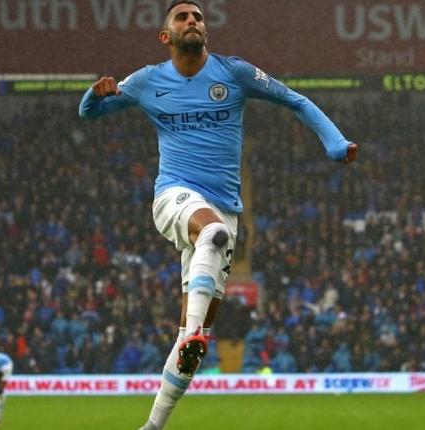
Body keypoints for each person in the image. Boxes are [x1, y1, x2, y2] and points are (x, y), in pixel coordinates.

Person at [79, 1, 358, 428]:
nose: (193, 21)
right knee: (209, 235)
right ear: (165, 36)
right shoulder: (147, 81)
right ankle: (193, 334)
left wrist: (335, 143)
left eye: (198, 17)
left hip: (225, 213)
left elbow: (295, 100)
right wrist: (92, 94)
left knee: (199, 325)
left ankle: (152, 424)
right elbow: (90, 113)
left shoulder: (234, 73)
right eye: (183, 17)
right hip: (174, 197)